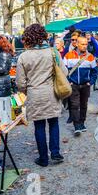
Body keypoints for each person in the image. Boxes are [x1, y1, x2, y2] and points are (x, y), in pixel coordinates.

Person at [16, 24, 67, 167]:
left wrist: (27, 90)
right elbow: (65, 73)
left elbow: (20, 83)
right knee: (53, 123)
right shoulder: (53, 52)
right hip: (52, 93)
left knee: (39, 126)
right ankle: (55, 153)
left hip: (34, 94)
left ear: (28, 38)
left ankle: (43, 158)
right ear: (44, 36)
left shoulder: (24, 57)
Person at [63, 36, 98, 136]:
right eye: (82, 44)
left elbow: (95, 71)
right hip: (73, 85)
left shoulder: (90, 56)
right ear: (77, 44)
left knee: (84, 105)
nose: (85, 46)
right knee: (74, 105)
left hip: (85, 85)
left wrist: (90, 82)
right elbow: (63, 70)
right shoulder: (68, 55)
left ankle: (82, 123)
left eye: (86, 44)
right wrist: (68, 81)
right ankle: (77, 125)